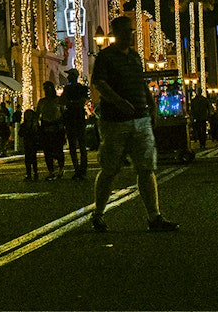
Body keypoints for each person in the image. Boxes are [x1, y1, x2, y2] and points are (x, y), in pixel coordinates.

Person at [90, 16, 178, 233]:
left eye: (131, 32)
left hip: (140, 119)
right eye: (126, 32)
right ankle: (98, 213)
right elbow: (99, 83)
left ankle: (154, 217)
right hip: (115, 122)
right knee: (110, 169)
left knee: (147, 168)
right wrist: (119, 102)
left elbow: (141, 83)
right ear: (116, 33)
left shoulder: (136, 58)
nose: (130, 35)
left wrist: (151, 106)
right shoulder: (106, 57)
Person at [61, 67, 90, 179]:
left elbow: (64, 101)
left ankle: (81, 169)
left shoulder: (74, 89)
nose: (68, 77)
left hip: (74, 117)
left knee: (78, 145)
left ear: (73, 76)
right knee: (76, 145)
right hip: (75, 117)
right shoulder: (72, 89)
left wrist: (71, 103)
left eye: (70, 75)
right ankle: (79, 169)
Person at [37, 81, 66, 179]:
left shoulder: (58, 100)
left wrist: (61, 124)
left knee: (58, 150)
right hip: (46, 128)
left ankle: (61, 168)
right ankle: (51, 171)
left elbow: (63, 113)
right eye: (45, 89)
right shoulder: (42, 102)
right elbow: (38, 114)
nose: (46, 91)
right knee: (47, 151)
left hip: (57, 128)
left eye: (48, 88)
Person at [20, 108, 41, 181]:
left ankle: (34, 173)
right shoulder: (25, 125)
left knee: (33, 159)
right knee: (28, 159)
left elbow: (39, 132)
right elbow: (20, 133)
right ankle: (29, 174)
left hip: (32, 143)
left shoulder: (34, 125)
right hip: (28, 143)